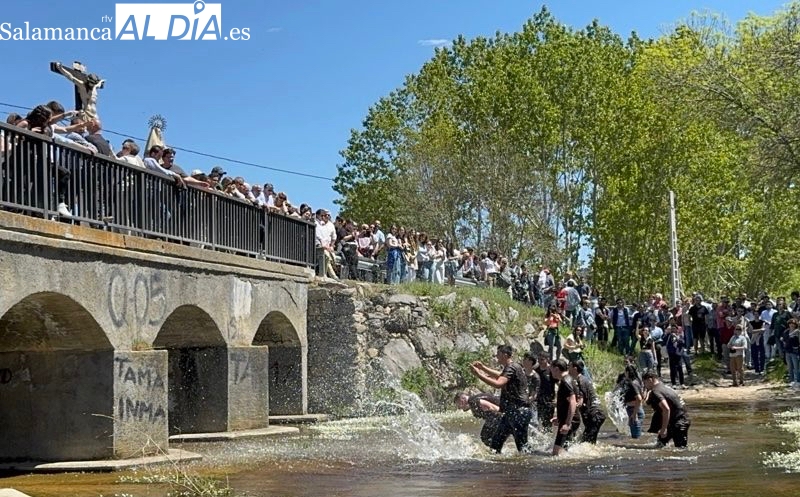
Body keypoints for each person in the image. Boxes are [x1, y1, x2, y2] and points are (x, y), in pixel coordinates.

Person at [470, 345, 532, 453]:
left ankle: (531, 466)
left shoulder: (511, 367)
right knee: (495, 445)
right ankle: (498, 468)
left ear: (505, 355)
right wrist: (483, 368)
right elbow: (500, 375)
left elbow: (499, 383)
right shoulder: (514, 367)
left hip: (519, 412)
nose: (496, 356)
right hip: (510, 413)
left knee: (523, 449)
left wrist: (478, 374)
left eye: (498, 354)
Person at [643, 371, 691, 448]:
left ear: (650, 380)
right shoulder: (663, 387)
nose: (645, 386)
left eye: (645, 383)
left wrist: (663, 429)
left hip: (680, 422)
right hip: (676, 420)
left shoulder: (656, 391)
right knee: (660, 444)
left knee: (681, 450)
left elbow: (666, 409)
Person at [569, 359, 606, 444]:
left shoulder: (581, 381)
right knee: (588, 442)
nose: (568, 369)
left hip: (595, 415)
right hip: (595, 415)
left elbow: (580, 401)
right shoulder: (581, 379)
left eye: (569, 367)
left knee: (587, 442)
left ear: (574, 369)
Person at [550, 358, 578, 455]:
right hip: (569, 419)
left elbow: (573, 401)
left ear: (557, 369)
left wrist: (567, 423)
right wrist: (559, 417)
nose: (551, 371)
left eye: (552, 369)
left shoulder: (566, 381)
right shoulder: (567, 379)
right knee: (564, 452)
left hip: (569, 421)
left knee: (556, 453)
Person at [622, 364, 645, 438]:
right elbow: (642, 396)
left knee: (635, 438)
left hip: (634, 411)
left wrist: (634, 414)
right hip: (638, 410)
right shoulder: (637, 381)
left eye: (625, 372)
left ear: (628, 372)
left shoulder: (632, 383)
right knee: (637, 438)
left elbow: (639, 398)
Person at [535, 353, 556, 430]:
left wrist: (557, 399)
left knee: (547, 423)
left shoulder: (551, 370)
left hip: (549, 400)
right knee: (536, 420)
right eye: (538, 359)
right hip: (537, 399)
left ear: (547, 359)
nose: (540, 361)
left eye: (542, 359)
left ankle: (548, 438)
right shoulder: (536, 370)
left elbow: (560, 384)